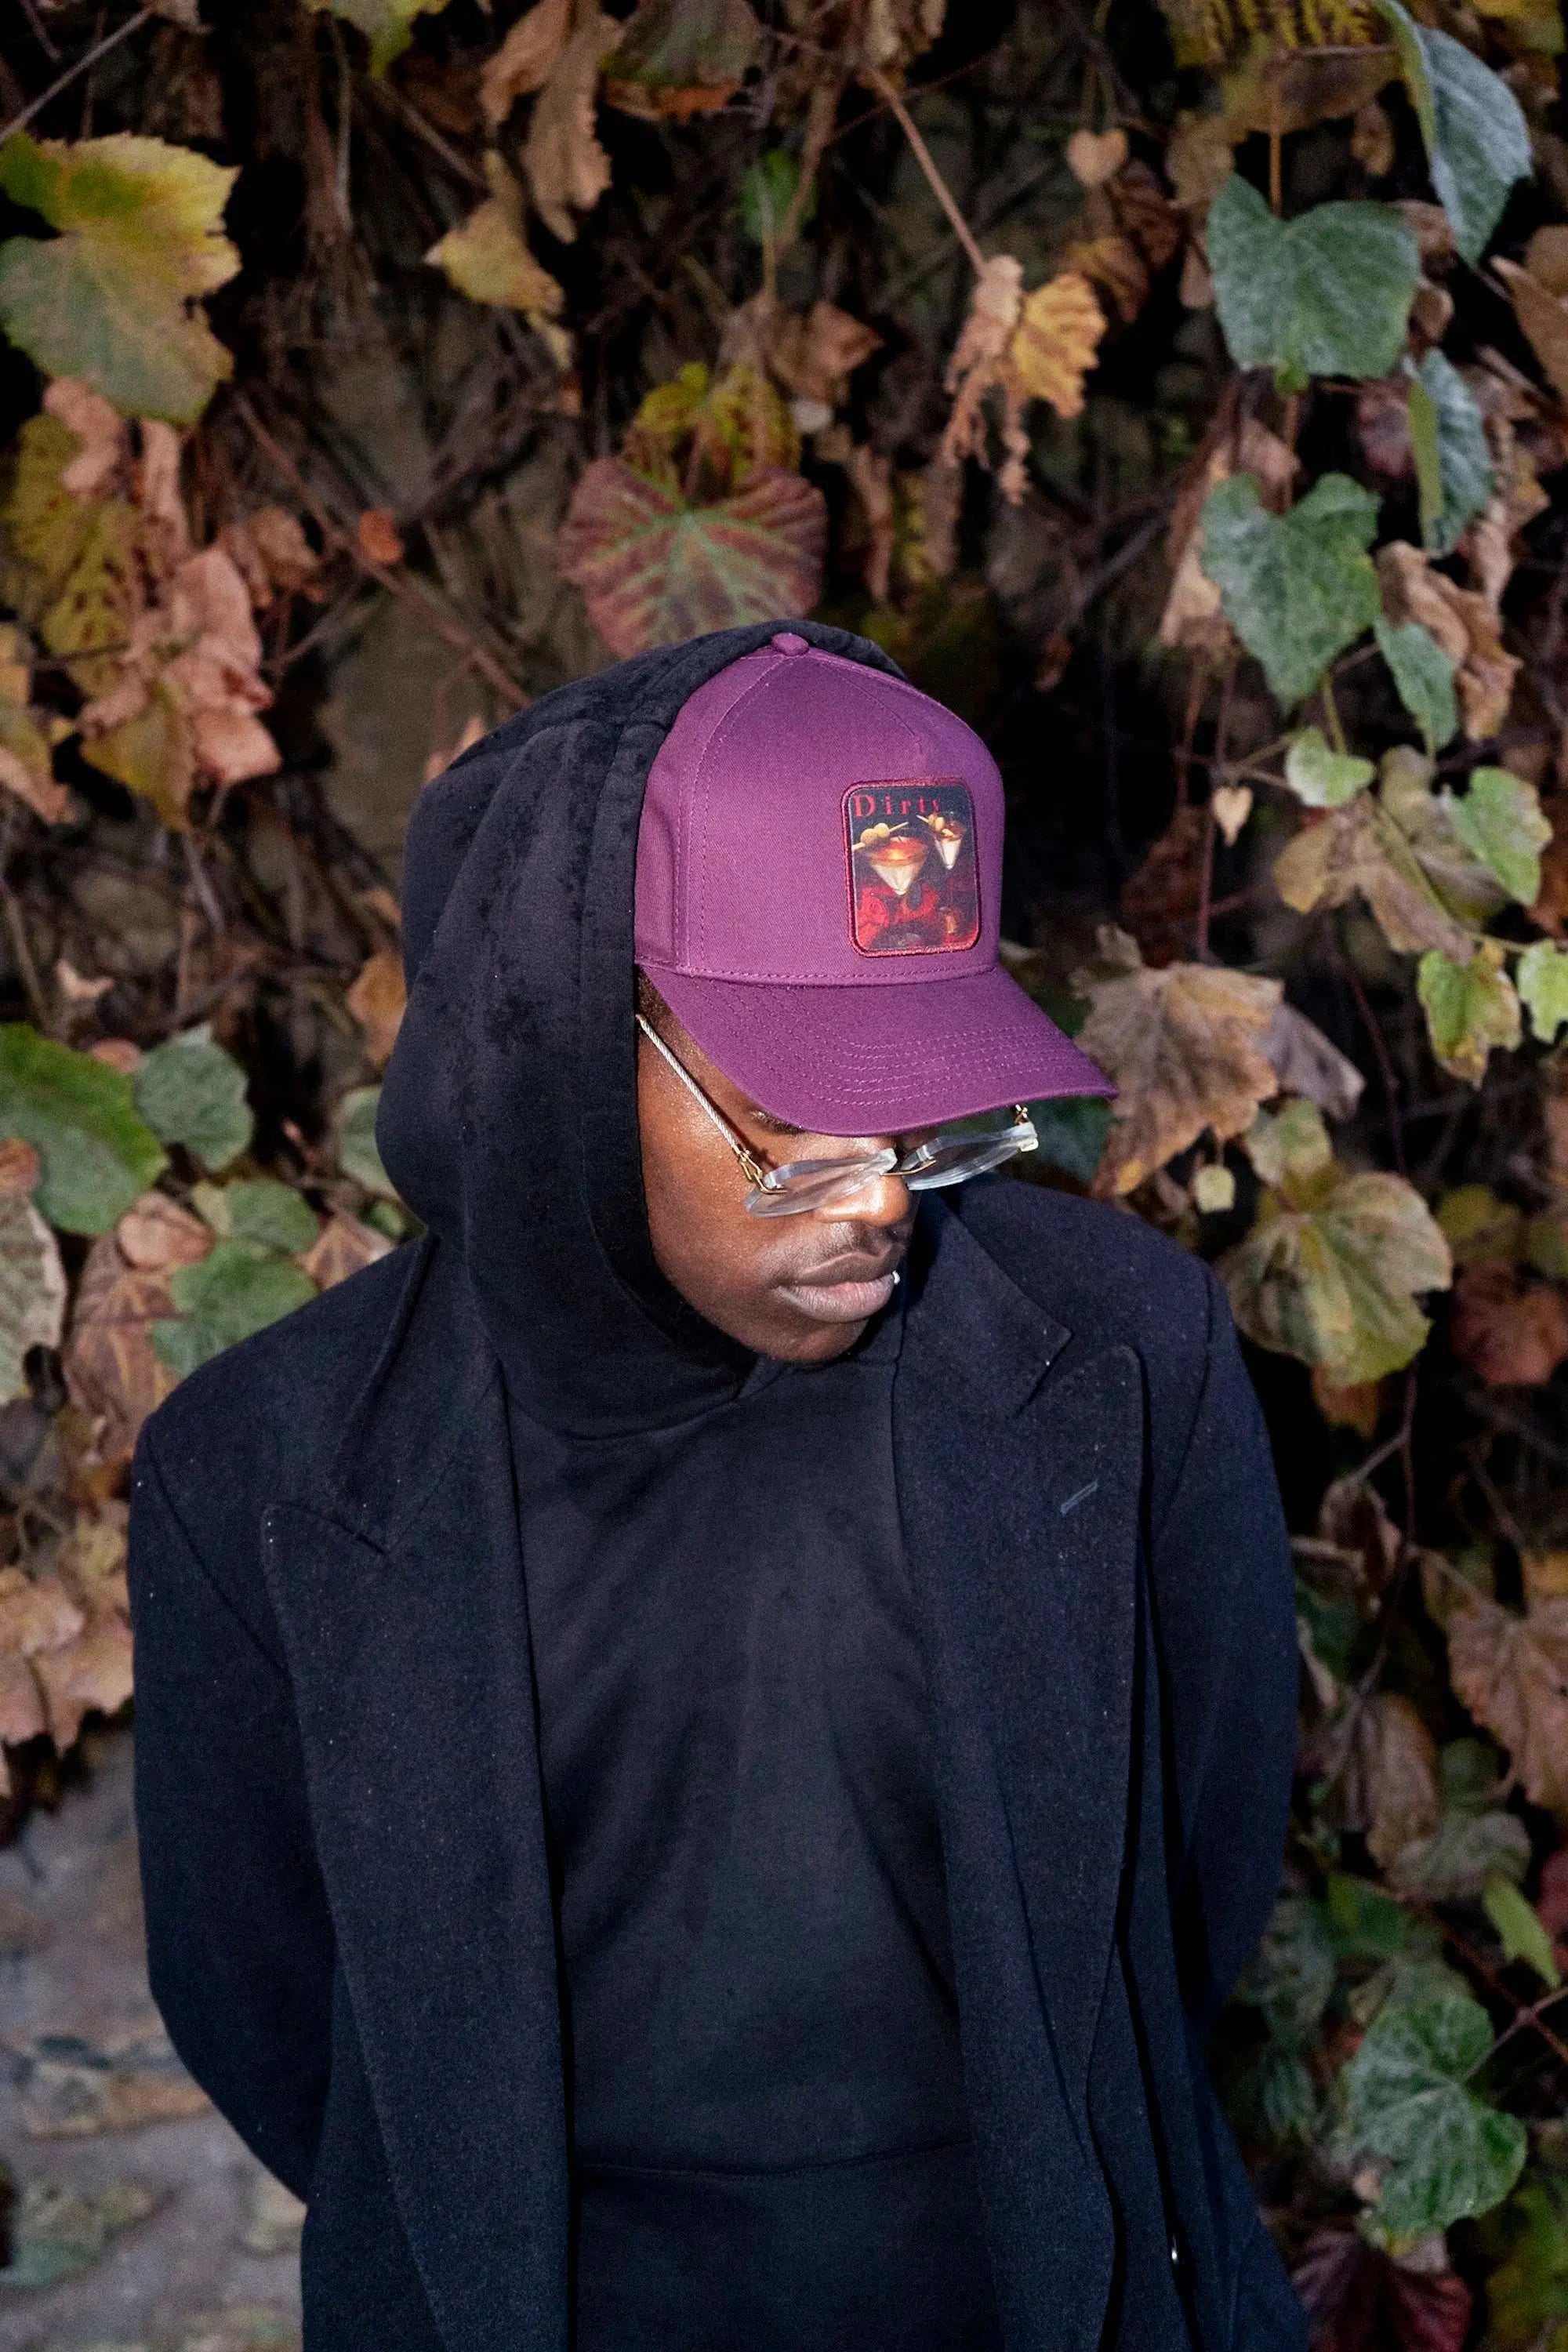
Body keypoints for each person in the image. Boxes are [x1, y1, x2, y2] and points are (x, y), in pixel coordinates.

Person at [127, 620, 1306, 2352]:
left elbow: (1189, 1875)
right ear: (566, 1053)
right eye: (804, 1123)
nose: (886, 1202)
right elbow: (273, 2015)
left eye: (927, 1116)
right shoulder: (273, 1476)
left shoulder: (1120, 1367)